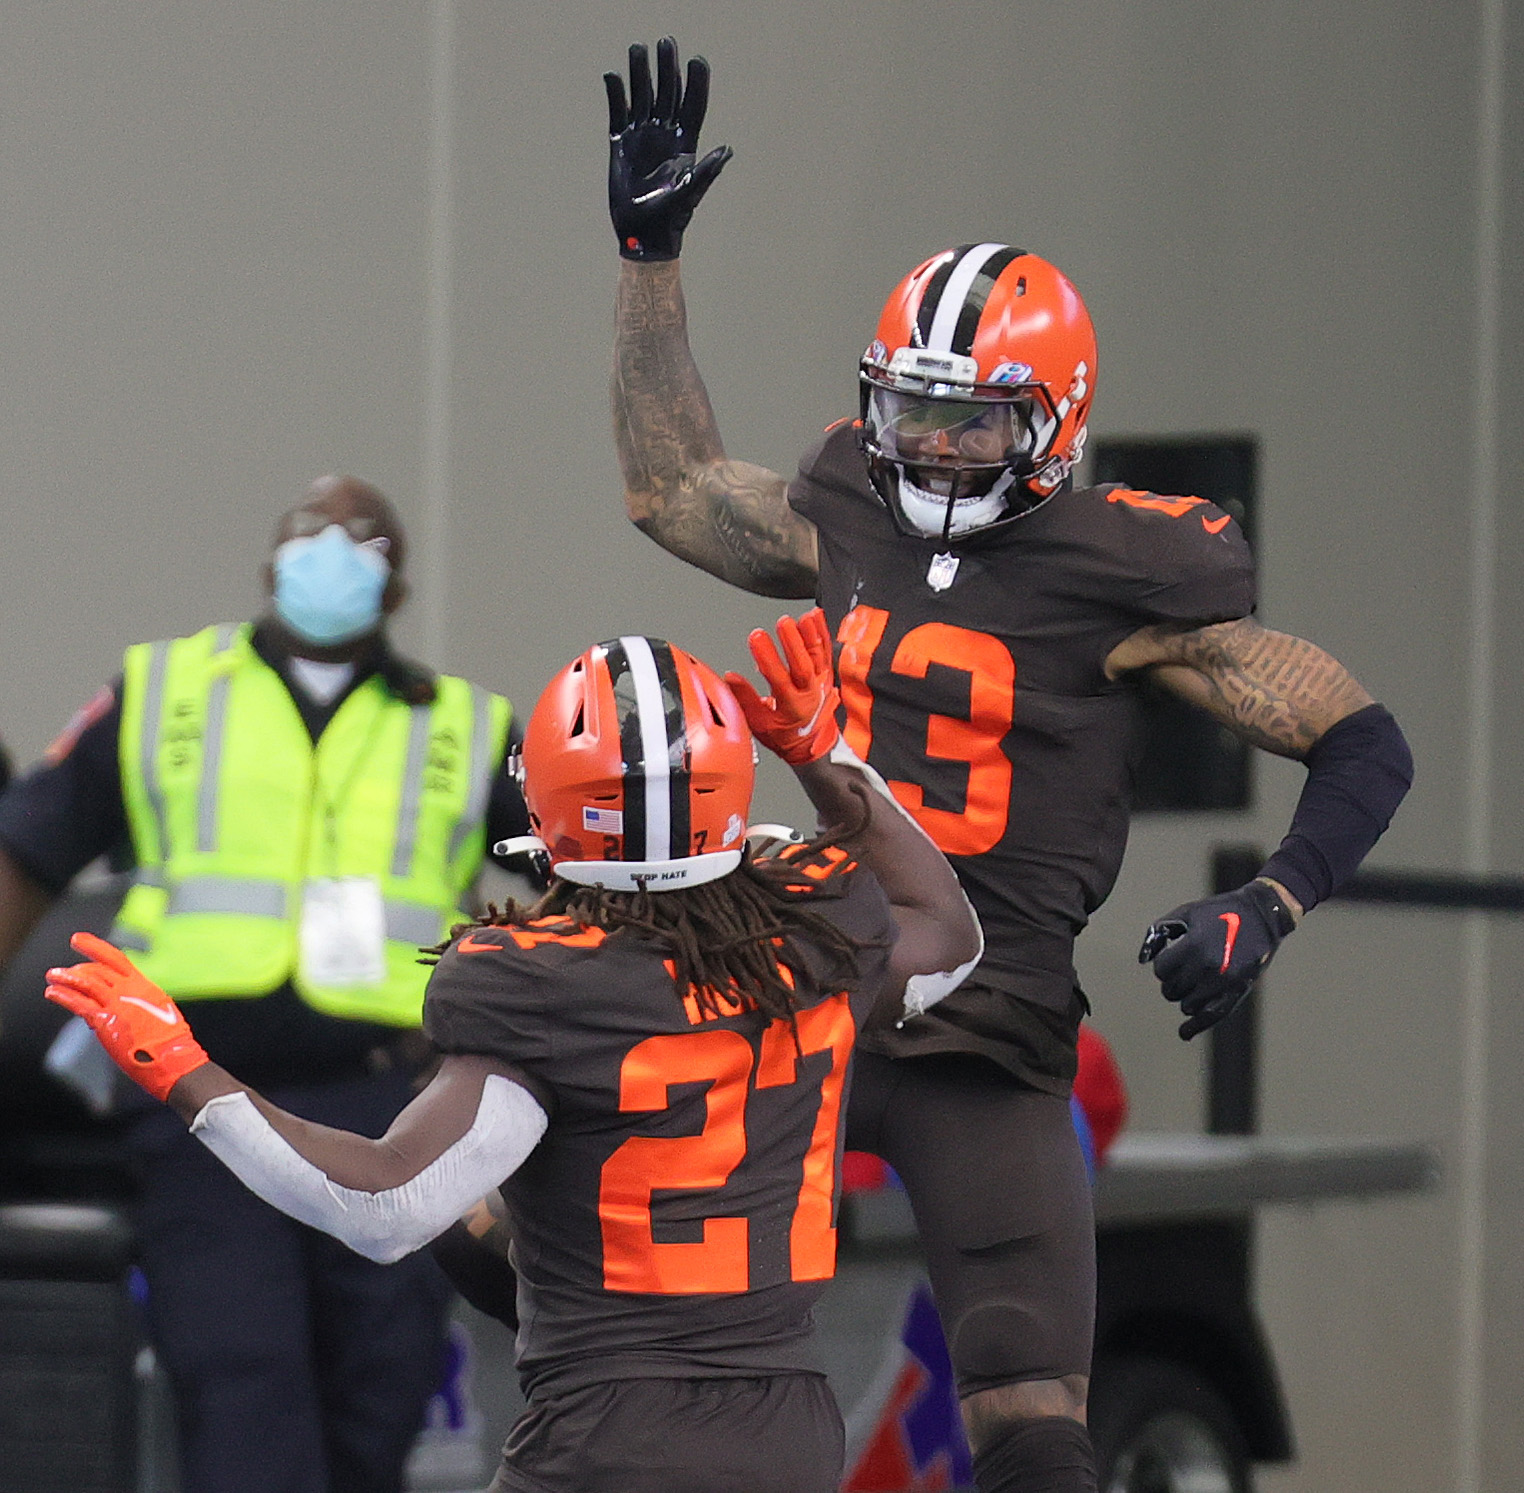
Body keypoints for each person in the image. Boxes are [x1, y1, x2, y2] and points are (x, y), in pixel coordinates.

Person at [600, 39, 1414, 1493]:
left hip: (994, 1026)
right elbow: (671, 487)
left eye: (971, 416)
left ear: (1058, 420)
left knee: (1037, 1433)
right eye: (911, 408)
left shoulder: (1122, 572)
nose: (931, 441)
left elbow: (1364, 738)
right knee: (629, 1317)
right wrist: (648, 258)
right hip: (817, 986)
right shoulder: (850, 498)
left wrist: (1271, 905)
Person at [45, 610, 983, 1493]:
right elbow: (950, 931)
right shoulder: (819, 920)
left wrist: (183, 1069)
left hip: (611, 1427)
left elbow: (388, 1204)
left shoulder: (536, 981)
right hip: (789, 1419)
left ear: (549, 804)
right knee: (487, 1226)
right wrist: (826, 754)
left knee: (472, 1219)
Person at [0, 475, 530, 1493]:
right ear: (269, 568)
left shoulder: (462, 723)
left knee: (385, 1374)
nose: (330, 551)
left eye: (357, 540)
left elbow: (579, 864)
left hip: (391, 1099)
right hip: (204, 1088)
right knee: (241, 1372)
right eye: (309, 537)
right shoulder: (166, 691)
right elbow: (26, 848)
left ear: (395, 583)